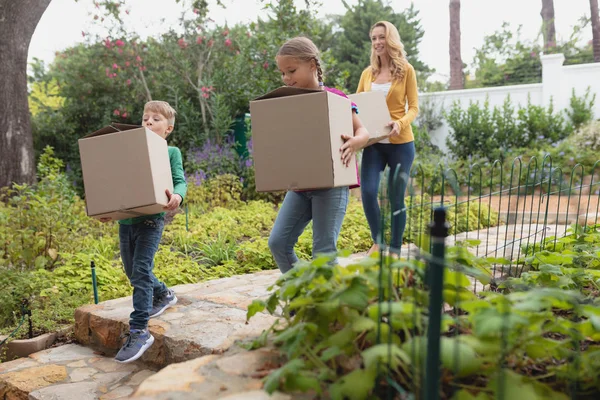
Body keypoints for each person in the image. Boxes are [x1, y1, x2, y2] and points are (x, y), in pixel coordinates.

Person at [268, 36, 370, 274]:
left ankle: (325, 308)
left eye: (291, 71)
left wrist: (355, 143)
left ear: (312, 65)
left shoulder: (336, 98)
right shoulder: (286, 103)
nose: (286, 78)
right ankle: (305, 292)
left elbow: (363, 131)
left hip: (331, 186)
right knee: (278, 243)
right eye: (282, 73)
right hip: (300, 186)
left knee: (324, 253)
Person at [99, 100, 187, 363]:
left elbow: (179, 180)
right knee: (133, 271)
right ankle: (163, 293)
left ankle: (139, 330)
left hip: (152, 220)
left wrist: (178, 197)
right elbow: (116, 184)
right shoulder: (128, 153)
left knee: (140, 271)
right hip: (125, 222)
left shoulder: (171, 152)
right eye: (145, 118)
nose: (148, 122)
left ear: (168, 128)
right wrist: (108, 208)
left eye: (156, 119)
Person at [356, 21, 419, 256]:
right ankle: (378, 241)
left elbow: (413, 107)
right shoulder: (367, 74)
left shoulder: (406, 70)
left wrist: (399, 123)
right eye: (373, 38)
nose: (377, 42)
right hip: (373, 145)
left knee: (395, 198)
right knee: (369, 192)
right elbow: (357, 105)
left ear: (390, 39)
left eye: (381, 37)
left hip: (400, 144)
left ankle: (394, 249)